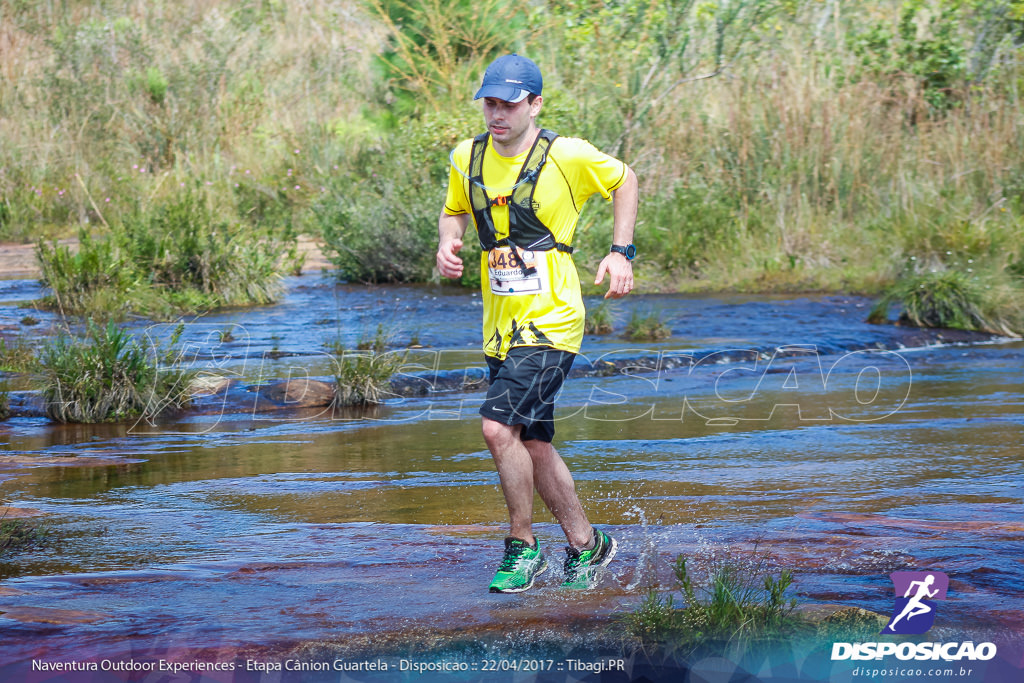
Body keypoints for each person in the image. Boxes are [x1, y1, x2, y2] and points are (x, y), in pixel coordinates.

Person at [436, 53, 639, 592]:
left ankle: (522, 547)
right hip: (500, 327)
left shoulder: (566, 155)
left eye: (509, 103)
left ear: (535, 103)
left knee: (496, 427)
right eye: (490, 103)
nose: (497, 113)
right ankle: (587, 545)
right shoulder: (467, 155)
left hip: (552, 323)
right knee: (531, 444)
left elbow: (625, 179)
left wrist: (621, 251)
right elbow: (455, 207)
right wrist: (447, 239)